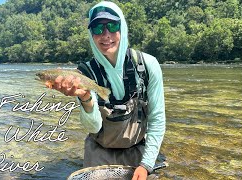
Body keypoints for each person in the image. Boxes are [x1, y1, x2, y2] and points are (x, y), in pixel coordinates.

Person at [46, 1, 165, 180]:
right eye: (97, 28)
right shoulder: (85, 73)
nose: (106, 34)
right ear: (91, 34)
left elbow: (157, 119)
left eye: (112, 25)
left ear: (122, 28)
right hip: (98, 152)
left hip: (138, 151)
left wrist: (146, 164)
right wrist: (86, 98)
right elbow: (93, 126)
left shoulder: (148, 65)